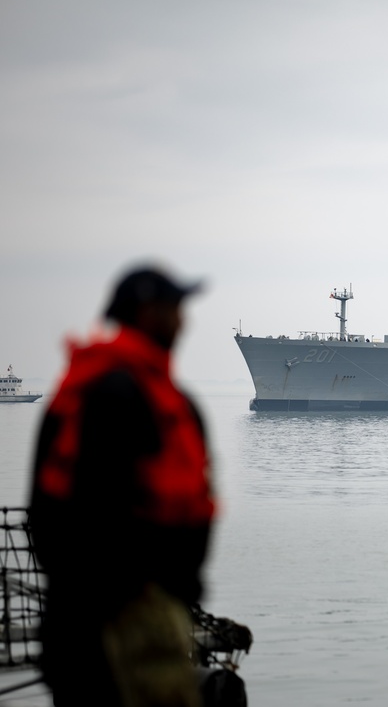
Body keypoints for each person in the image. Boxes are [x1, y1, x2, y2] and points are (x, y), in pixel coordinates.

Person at [29, 265, 216, 707]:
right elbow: (106, 513)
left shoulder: (75, 392)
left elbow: (45, 514)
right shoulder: (142, 400)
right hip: (134, 622)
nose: (183, 321)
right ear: (150, 314)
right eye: (175, 309)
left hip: (77, 621)